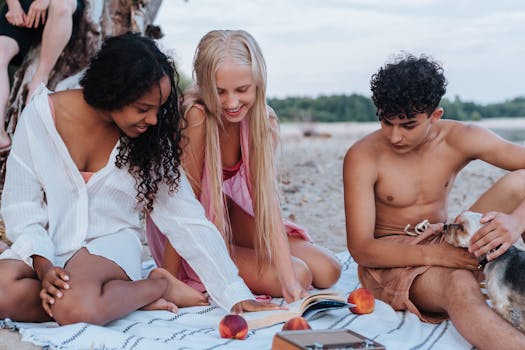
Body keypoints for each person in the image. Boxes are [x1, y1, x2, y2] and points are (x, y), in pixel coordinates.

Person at [0, 32, 279, 325]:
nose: (155, 120)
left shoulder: (149, 141)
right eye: (143, 109)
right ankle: (111, 300)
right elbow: (21, 205)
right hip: (49, 243)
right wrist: (43, 265)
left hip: (107, 245)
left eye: (159, 108)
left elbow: (186, 219)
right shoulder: (41, 116)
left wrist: (234, 292)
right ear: (111, 93)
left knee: (74, 309)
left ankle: (158, 285)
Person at [344, 52, 525, 349]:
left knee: (520, 183)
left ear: (434, 116)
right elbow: (362, 249)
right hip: (391, 259)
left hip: (445, 235)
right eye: (386, 122)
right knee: (459, 282)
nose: (395, 136)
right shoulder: (362, 156)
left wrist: (516, 222)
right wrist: (437, 257)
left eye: (408, 125)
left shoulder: (460, 137)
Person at [147, 30, 341, 302]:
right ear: (204, 83)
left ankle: (247, 256)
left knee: (328, 269)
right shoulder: (197, 117)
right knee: (302, 275)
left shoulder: (263, 122)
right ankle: (217, 261)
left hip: (228, 217)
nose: (232, 102)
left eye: (242, 90)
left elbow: (267, 205)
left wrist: (287, 283)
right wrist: (169, 279)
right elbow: (181, 206)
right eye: (220, 91)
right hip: (191, 231)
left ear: (258, 81)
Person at [0, 0, 84, 151]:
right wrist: (14, 6)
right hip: (24, 6)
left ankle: (40, 77)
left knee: (61, 5)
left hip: (62, 6)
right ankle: (0, 134)